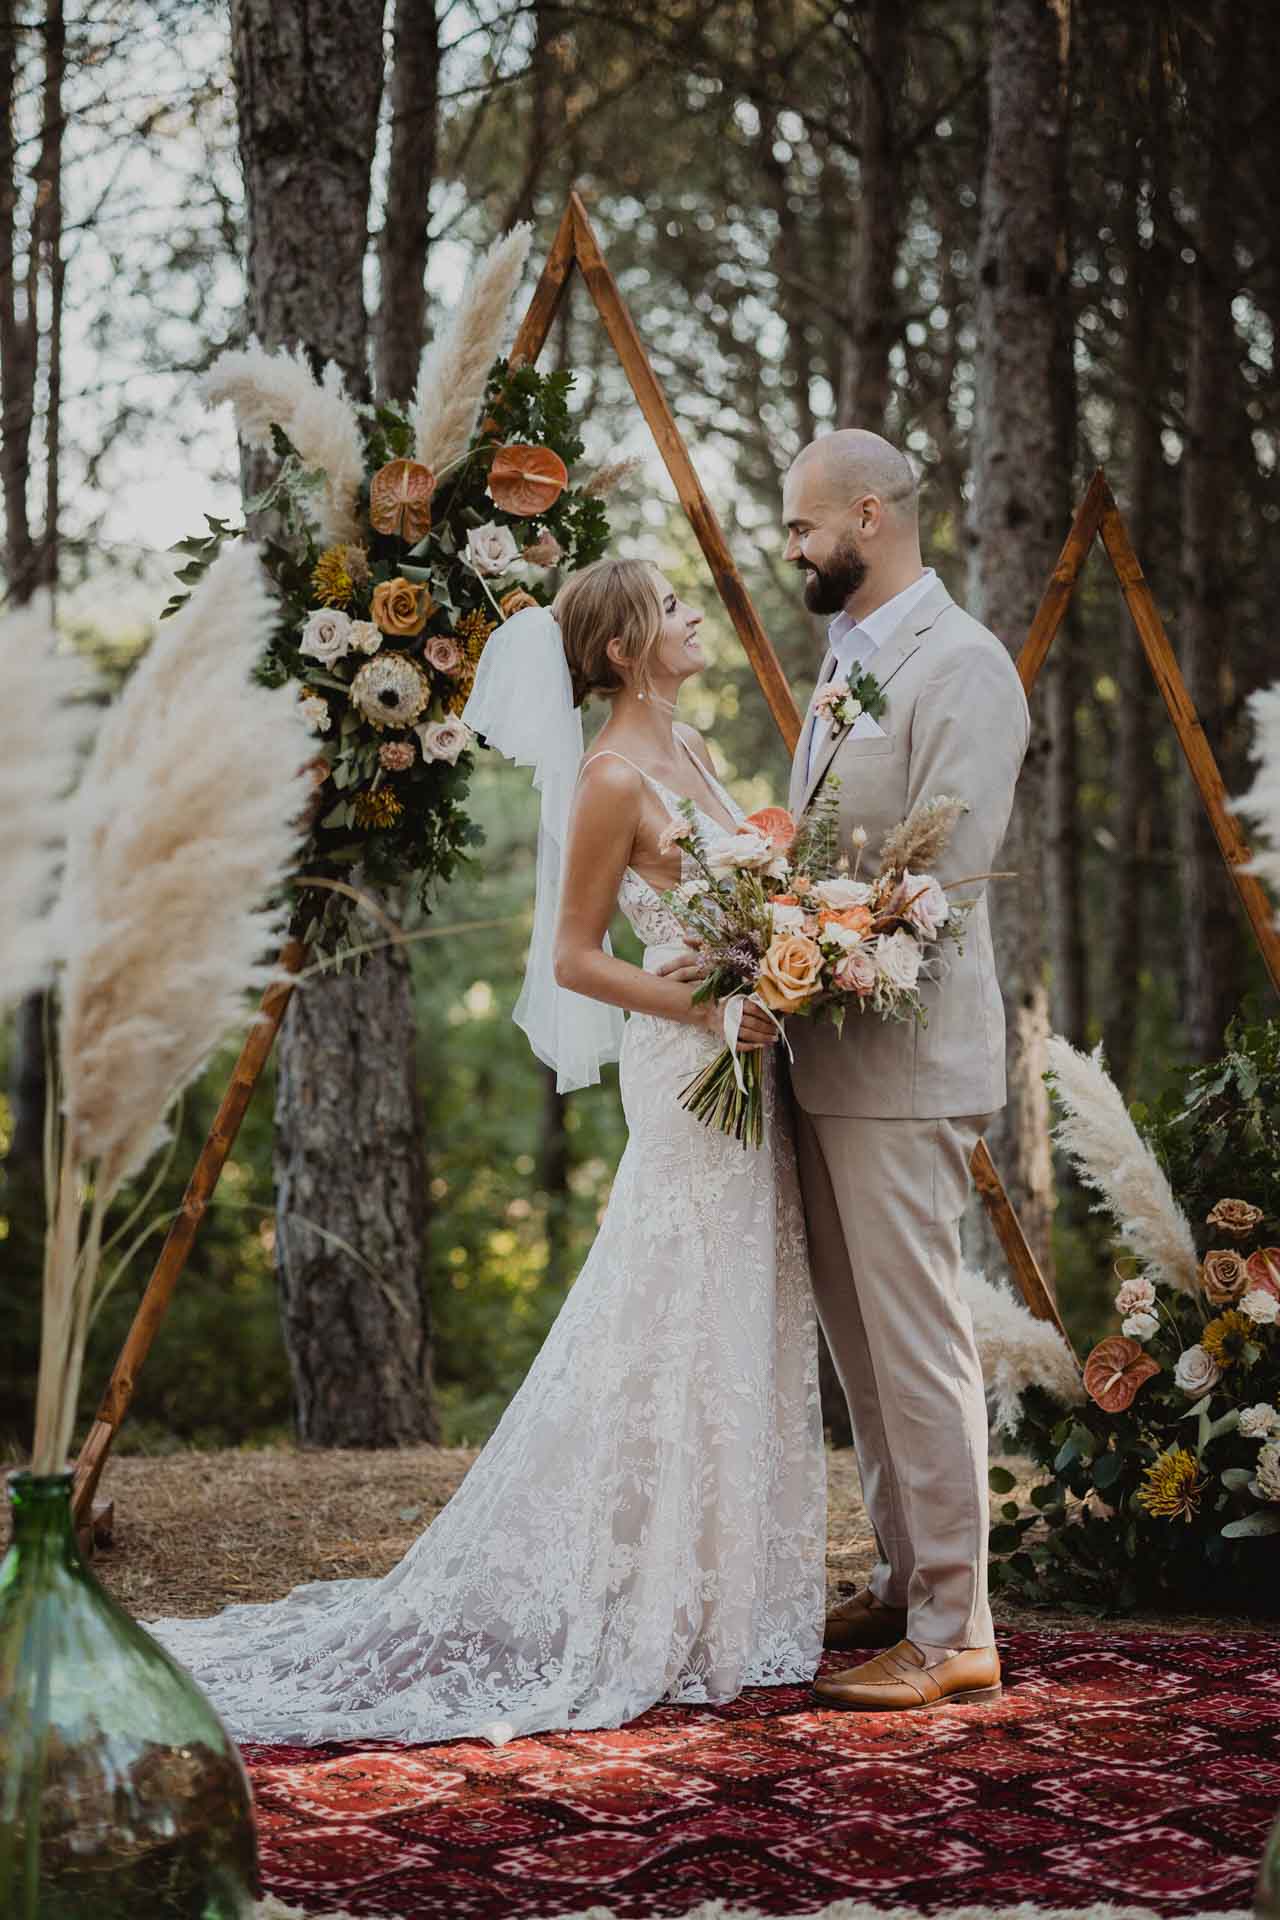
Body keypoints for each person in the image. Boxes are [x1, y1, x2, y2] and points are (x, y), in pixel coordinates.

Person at [142, 557, 826, 1747]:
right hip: (688, 1066)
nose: (688, 617)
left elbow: (735, 899)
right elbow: (572, 957)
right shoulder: (612, 775)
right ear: (621, 650)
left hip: (745, 1063)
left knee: (730, 1310)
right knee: (668, 1305)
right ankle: (638, 1598)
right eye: (669, 607)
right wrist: (710, 1009)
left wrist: (784, 953)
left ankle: (719, 1595)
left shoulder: (694, 751)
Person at [777, 427, 1029, 1712]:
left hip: (908, 1060)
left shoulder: (964, 667)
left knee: (916, 1341)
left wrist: (813, 939)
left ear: (866, 516)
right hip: (824, 1056)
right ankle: (901, 1572)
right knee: (859, 1345)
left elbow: (951, 882)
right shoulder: (845, 663)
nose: (791, 550)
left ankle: (956, 1628)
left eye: (801, 527)